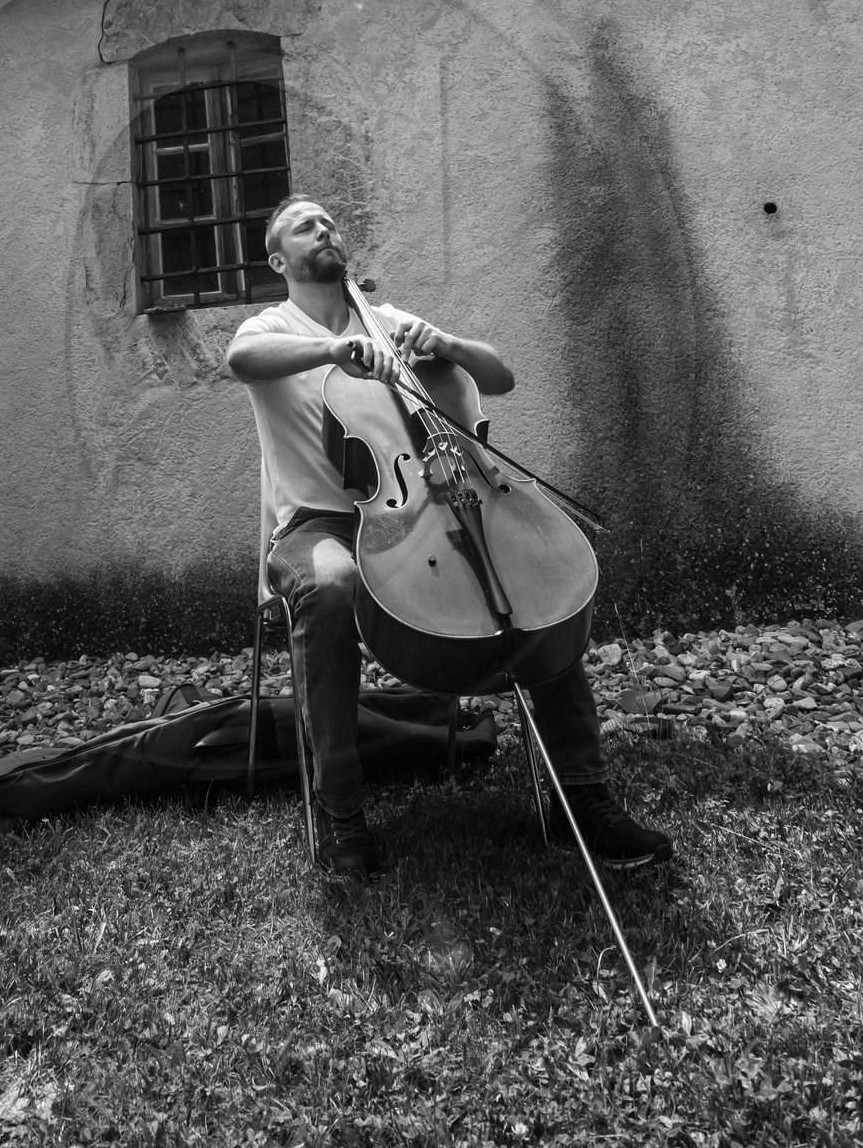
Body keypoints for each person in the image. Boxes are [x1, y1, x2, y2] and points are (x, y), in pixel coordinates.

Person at [226, 194, 674, 877]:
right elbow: (241, 357)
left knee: (537, 582)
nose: (325, 230)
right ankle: (341, 816)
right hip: (319, 525)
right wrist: (333, 348)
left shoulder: (389, 319)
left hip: (430, 504)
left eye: (330, 222)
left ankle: (581, 799)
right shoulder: (273, 325)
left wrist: (449, 345)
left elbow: (500, 376)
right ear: (276, 258)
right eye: (304, 225)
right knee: (332, 586)